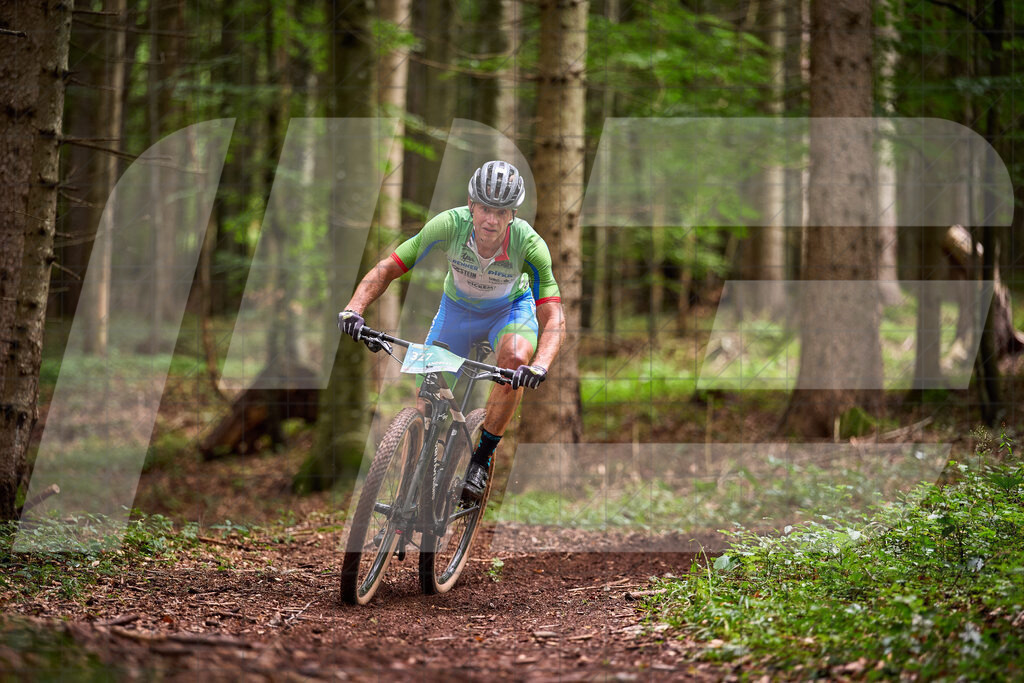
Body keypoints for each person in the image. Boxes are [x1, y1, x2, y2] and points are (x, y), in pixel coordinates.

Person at [338, 160, 566, 501]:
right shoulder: (448, 226)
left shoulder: (529, 245)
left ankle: (481, 459)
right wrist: (354, 309)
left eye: (501, 212)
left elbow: (554, 316)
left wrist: (540, 365)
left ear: (512, 215)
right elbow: (388, 268)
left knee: (515, 360)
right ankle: (411, 488)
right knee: (427, 401)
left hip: (509, 312)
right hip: (457, 312)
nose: (491, 220)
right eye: (485, 208)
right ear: (471, 204)